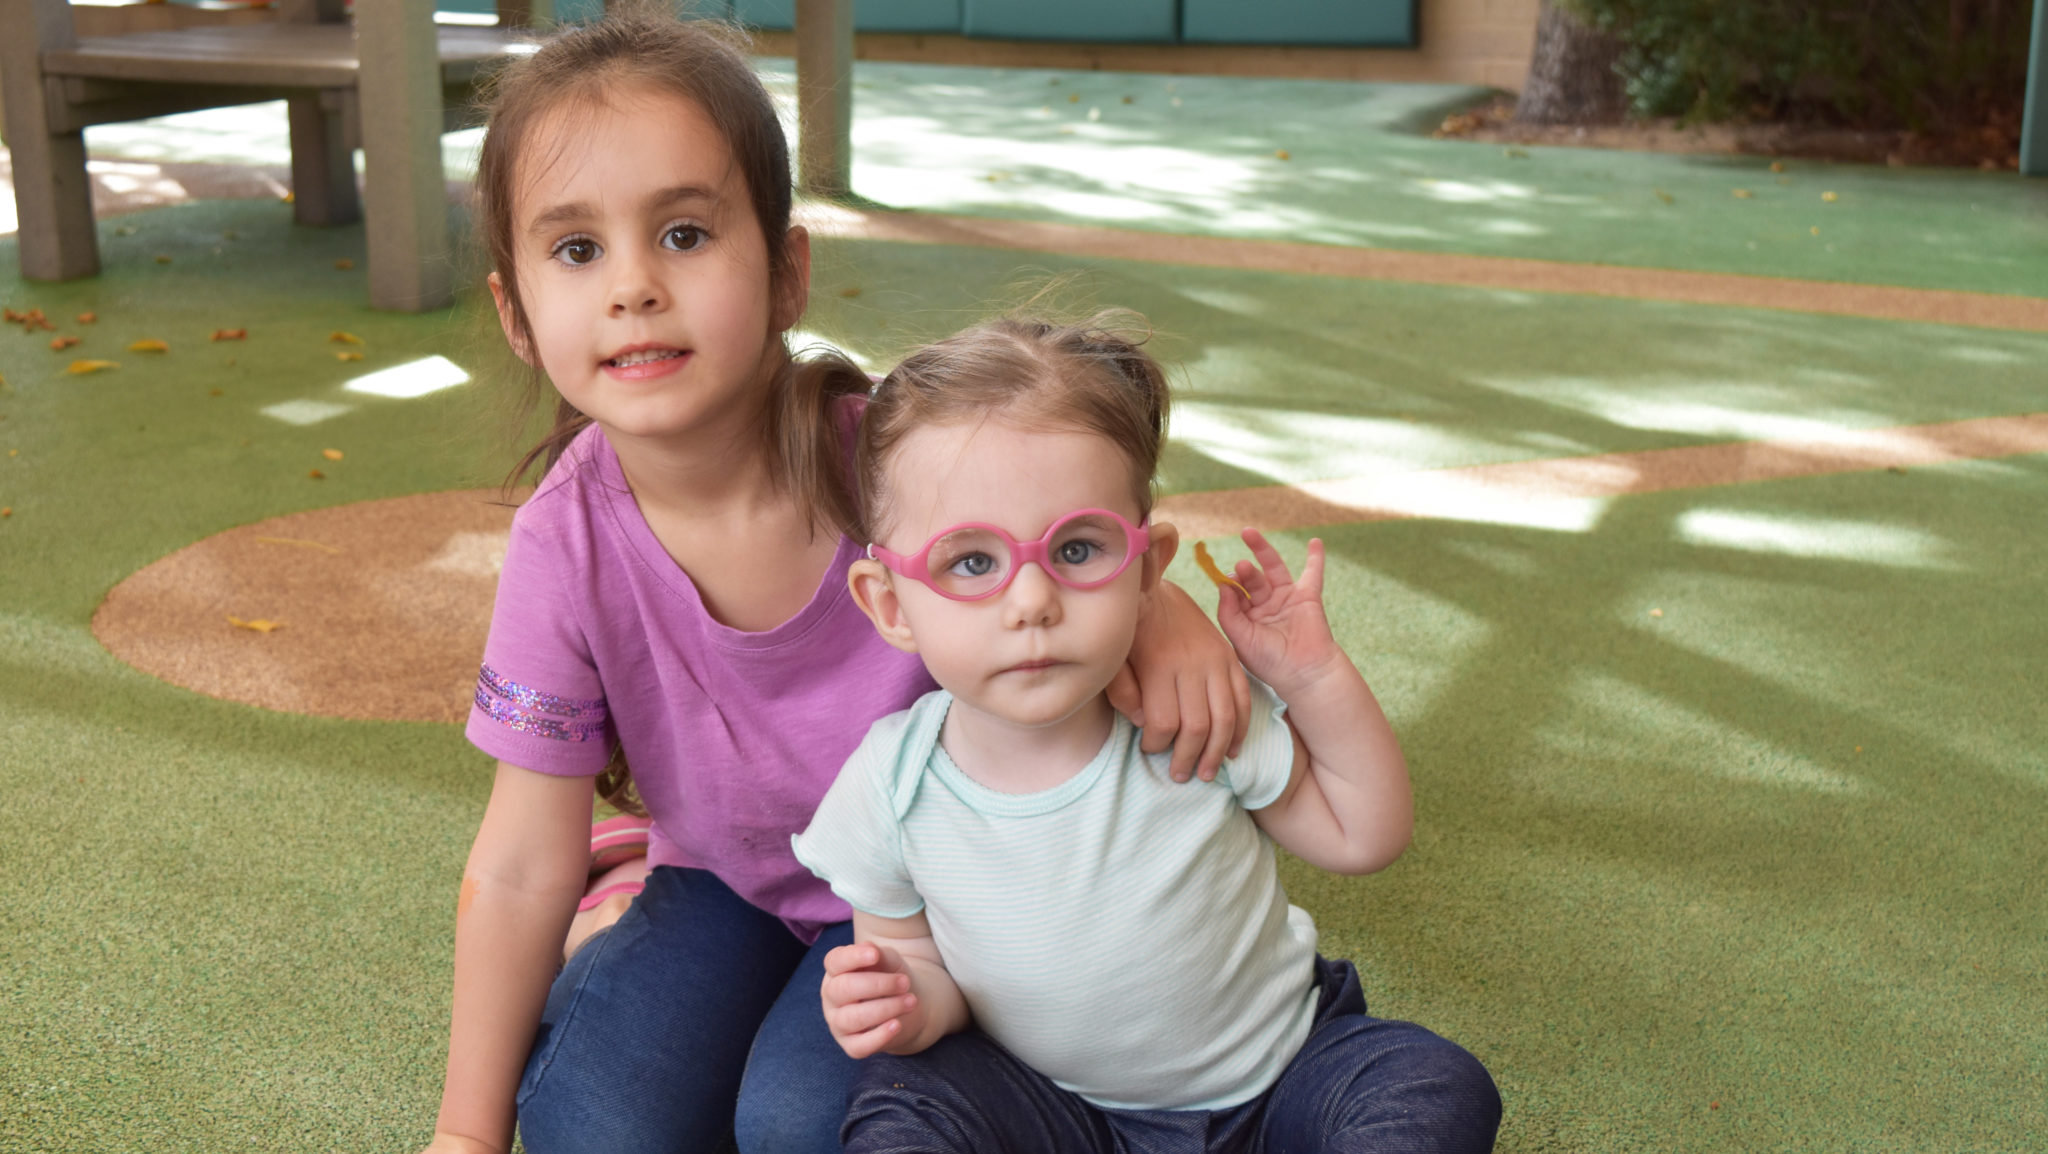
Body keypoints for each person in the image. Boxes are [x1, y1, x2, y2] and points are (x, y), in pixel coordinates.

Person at [424, 12, 1253, 1154]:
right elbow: (519, 862)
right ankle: (623, 912)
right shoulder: (563, 540)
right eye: (576, 251)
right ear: (517, 314)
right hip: (725, 883)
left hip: (937, 899)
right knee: (599, 1124)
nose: (632, 287)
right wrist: (467, 1135)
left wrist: (1158, 610)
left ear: (785, 272)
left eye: (682, 231)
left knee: (804, 1125)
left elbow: (1058, 526)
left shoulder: (899, 467)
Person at [793, 316, 1504, 1153]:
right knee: (903, 1112)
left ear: (1146, 568)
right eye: (972, 562)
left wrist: (1312, 679)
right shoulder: (888, 787)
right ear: (888, 604)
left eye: (1079, 548)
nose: (1031, 602)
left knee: (1434, 1087)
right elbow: (920, 969)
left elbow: (1365, 836)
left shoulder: (1193, 718)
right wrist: (906, 1005)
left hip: (1280, 1083)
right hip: (1057, 1111)